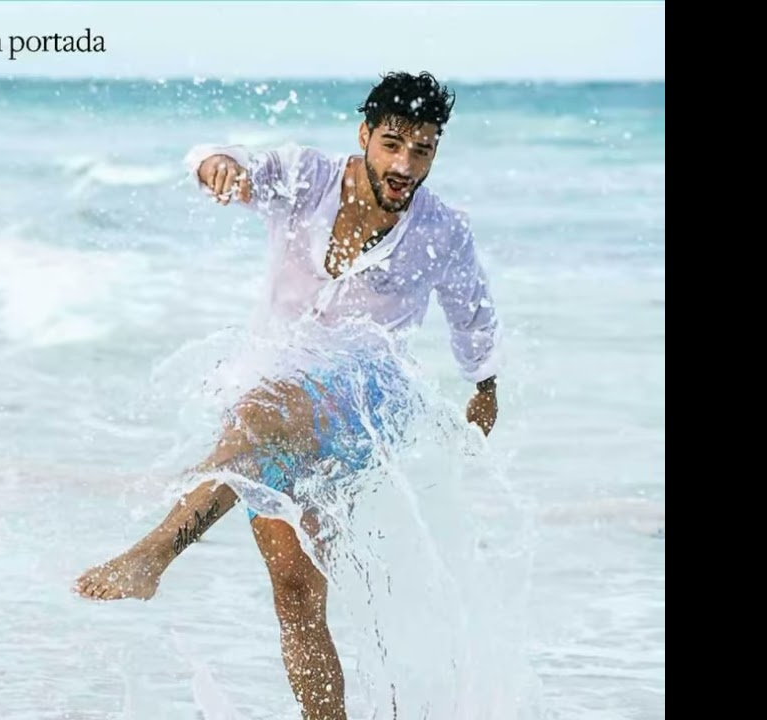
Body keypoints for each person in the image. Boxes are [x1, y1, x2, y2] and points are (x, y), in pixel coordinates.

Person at [74, 71, 502, 720]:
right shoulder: (307, 179)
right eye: (392, 145)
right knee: (297, 593)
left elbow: (474, 314)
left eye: (423, 150)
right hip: (276, 388)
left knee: (264, 409)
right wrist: (218, 168)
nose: (405, 165)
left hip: (365, 403)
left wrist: (485, 390)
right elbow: (225, 160)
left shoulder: (444, 228)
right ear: (364, 135)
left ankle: (151, 556)